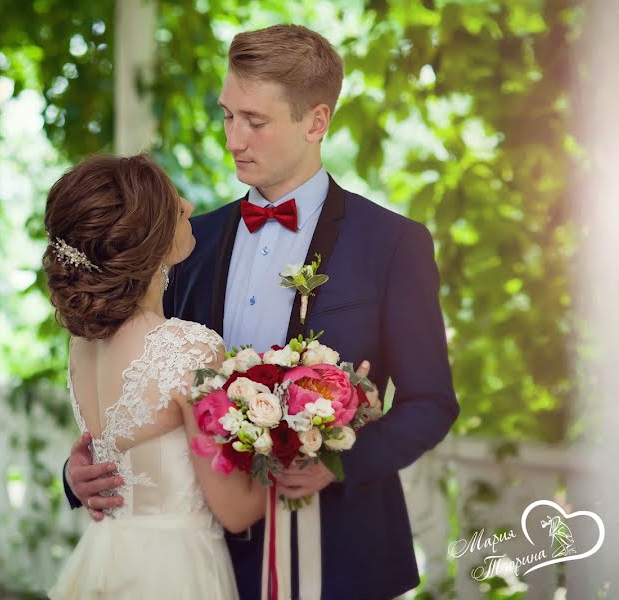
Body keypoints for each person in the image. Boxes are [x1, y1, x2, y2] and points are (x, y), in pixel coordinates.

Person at [64, 24, 459, 600]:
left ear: (316, 122)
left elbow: (431, 403)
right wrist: (78, 476)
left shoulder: (393, 244)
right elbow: (131, 377)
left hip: (345, 559)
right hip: (208, 562)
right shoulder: (181, 242)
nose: (233, 138)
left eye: (255, 120)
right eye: (228, 115)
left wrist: (339, 462)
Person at [44, 153, 265, 599]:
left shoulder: (82, 346)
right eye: (169, 200)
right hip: (175, 571)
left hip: (107, 557)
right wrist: (315, 439)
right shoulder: (189, 349)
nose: (186, 205)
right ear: (144, 239)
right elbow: (236, 511)